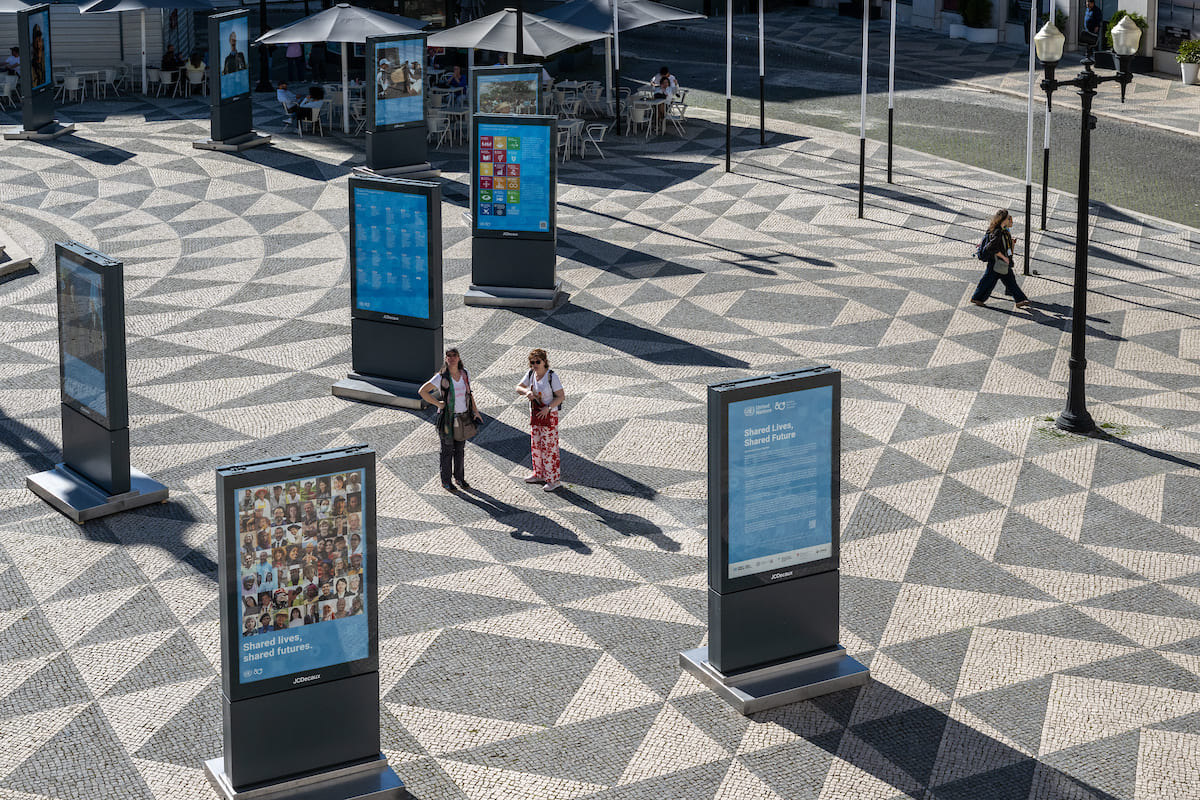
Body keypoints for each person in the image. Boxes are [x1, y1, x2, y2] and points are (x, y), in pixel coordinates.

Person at [419, 348, 483, 491]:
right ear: (446, 359)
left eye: (454, 355)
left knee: (460, 450)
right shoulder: (441, 377)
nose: (452, 358)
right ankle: (446, 480)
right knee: (447, 450)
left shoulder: (464, 373)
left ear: (459, 358)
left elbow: (469, 393)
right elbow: (422, 391)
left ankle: (459, 478)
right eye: (449, 356)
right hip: (447, 419)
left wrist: (475, 411)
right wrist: (438, 403)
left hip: (463, 417)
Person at [516, 348, 564, 492]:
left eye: (538, 362)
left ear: (544, 362)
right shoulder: (531, 374)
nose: (535, 365)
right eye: (532, 362)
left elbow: (561, 396)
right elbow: (518, 387)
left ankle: (553, 480)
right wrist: (527, 391)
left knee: (549, 447)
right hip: (536, 414)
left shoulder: (551, 376)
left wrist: (548, 408)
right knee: (536, 445)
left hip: (549, 415)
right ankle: (539, 474)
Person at [970, 209, 1031, 309]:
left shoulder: (1003, 230)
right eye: (1008, 218)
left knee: (996, 280)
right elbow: (991, 247)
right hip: (997, 261)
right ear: (1003, 219)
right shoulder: (998, 232)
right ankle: (977, 298)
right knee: (994, 280)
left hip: (1000, 262)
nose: (1009, 220)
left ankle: (977, 298)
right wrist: (1004, 257)